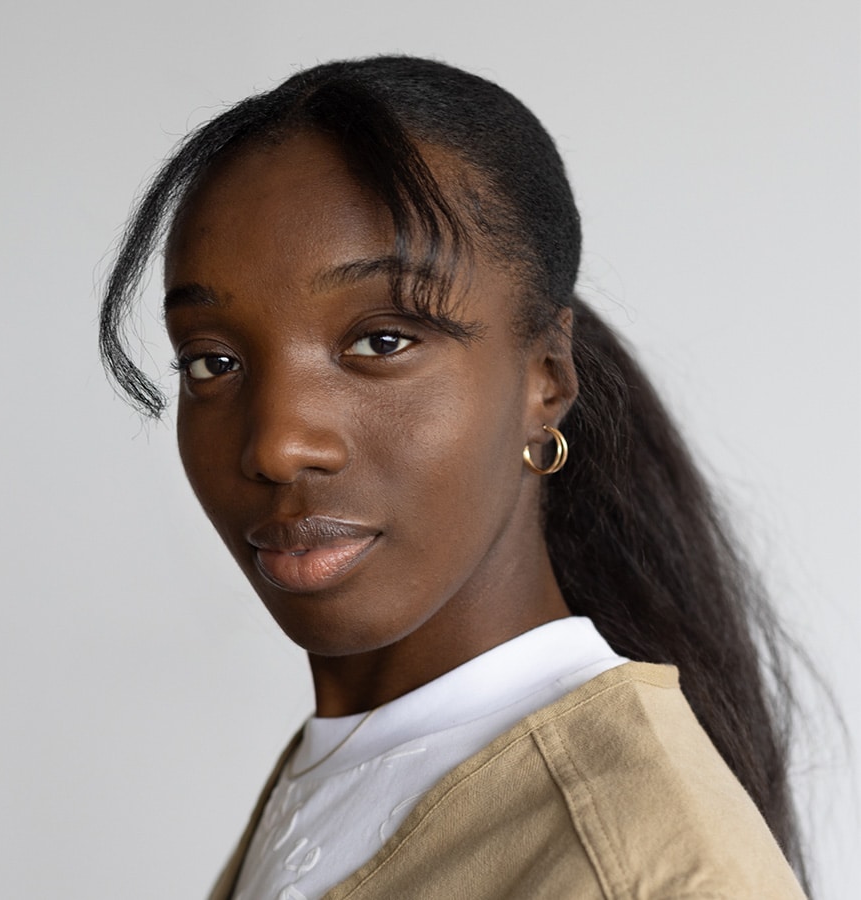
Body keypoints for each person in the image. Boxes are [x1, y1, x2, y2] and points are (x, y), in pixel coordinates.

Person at [100, 56, 810, 899]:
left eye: (382, 341)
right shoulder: (348, 770)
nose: (279, 445)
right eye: (213, 360)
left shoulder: (643, 873)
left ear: (545, 376)